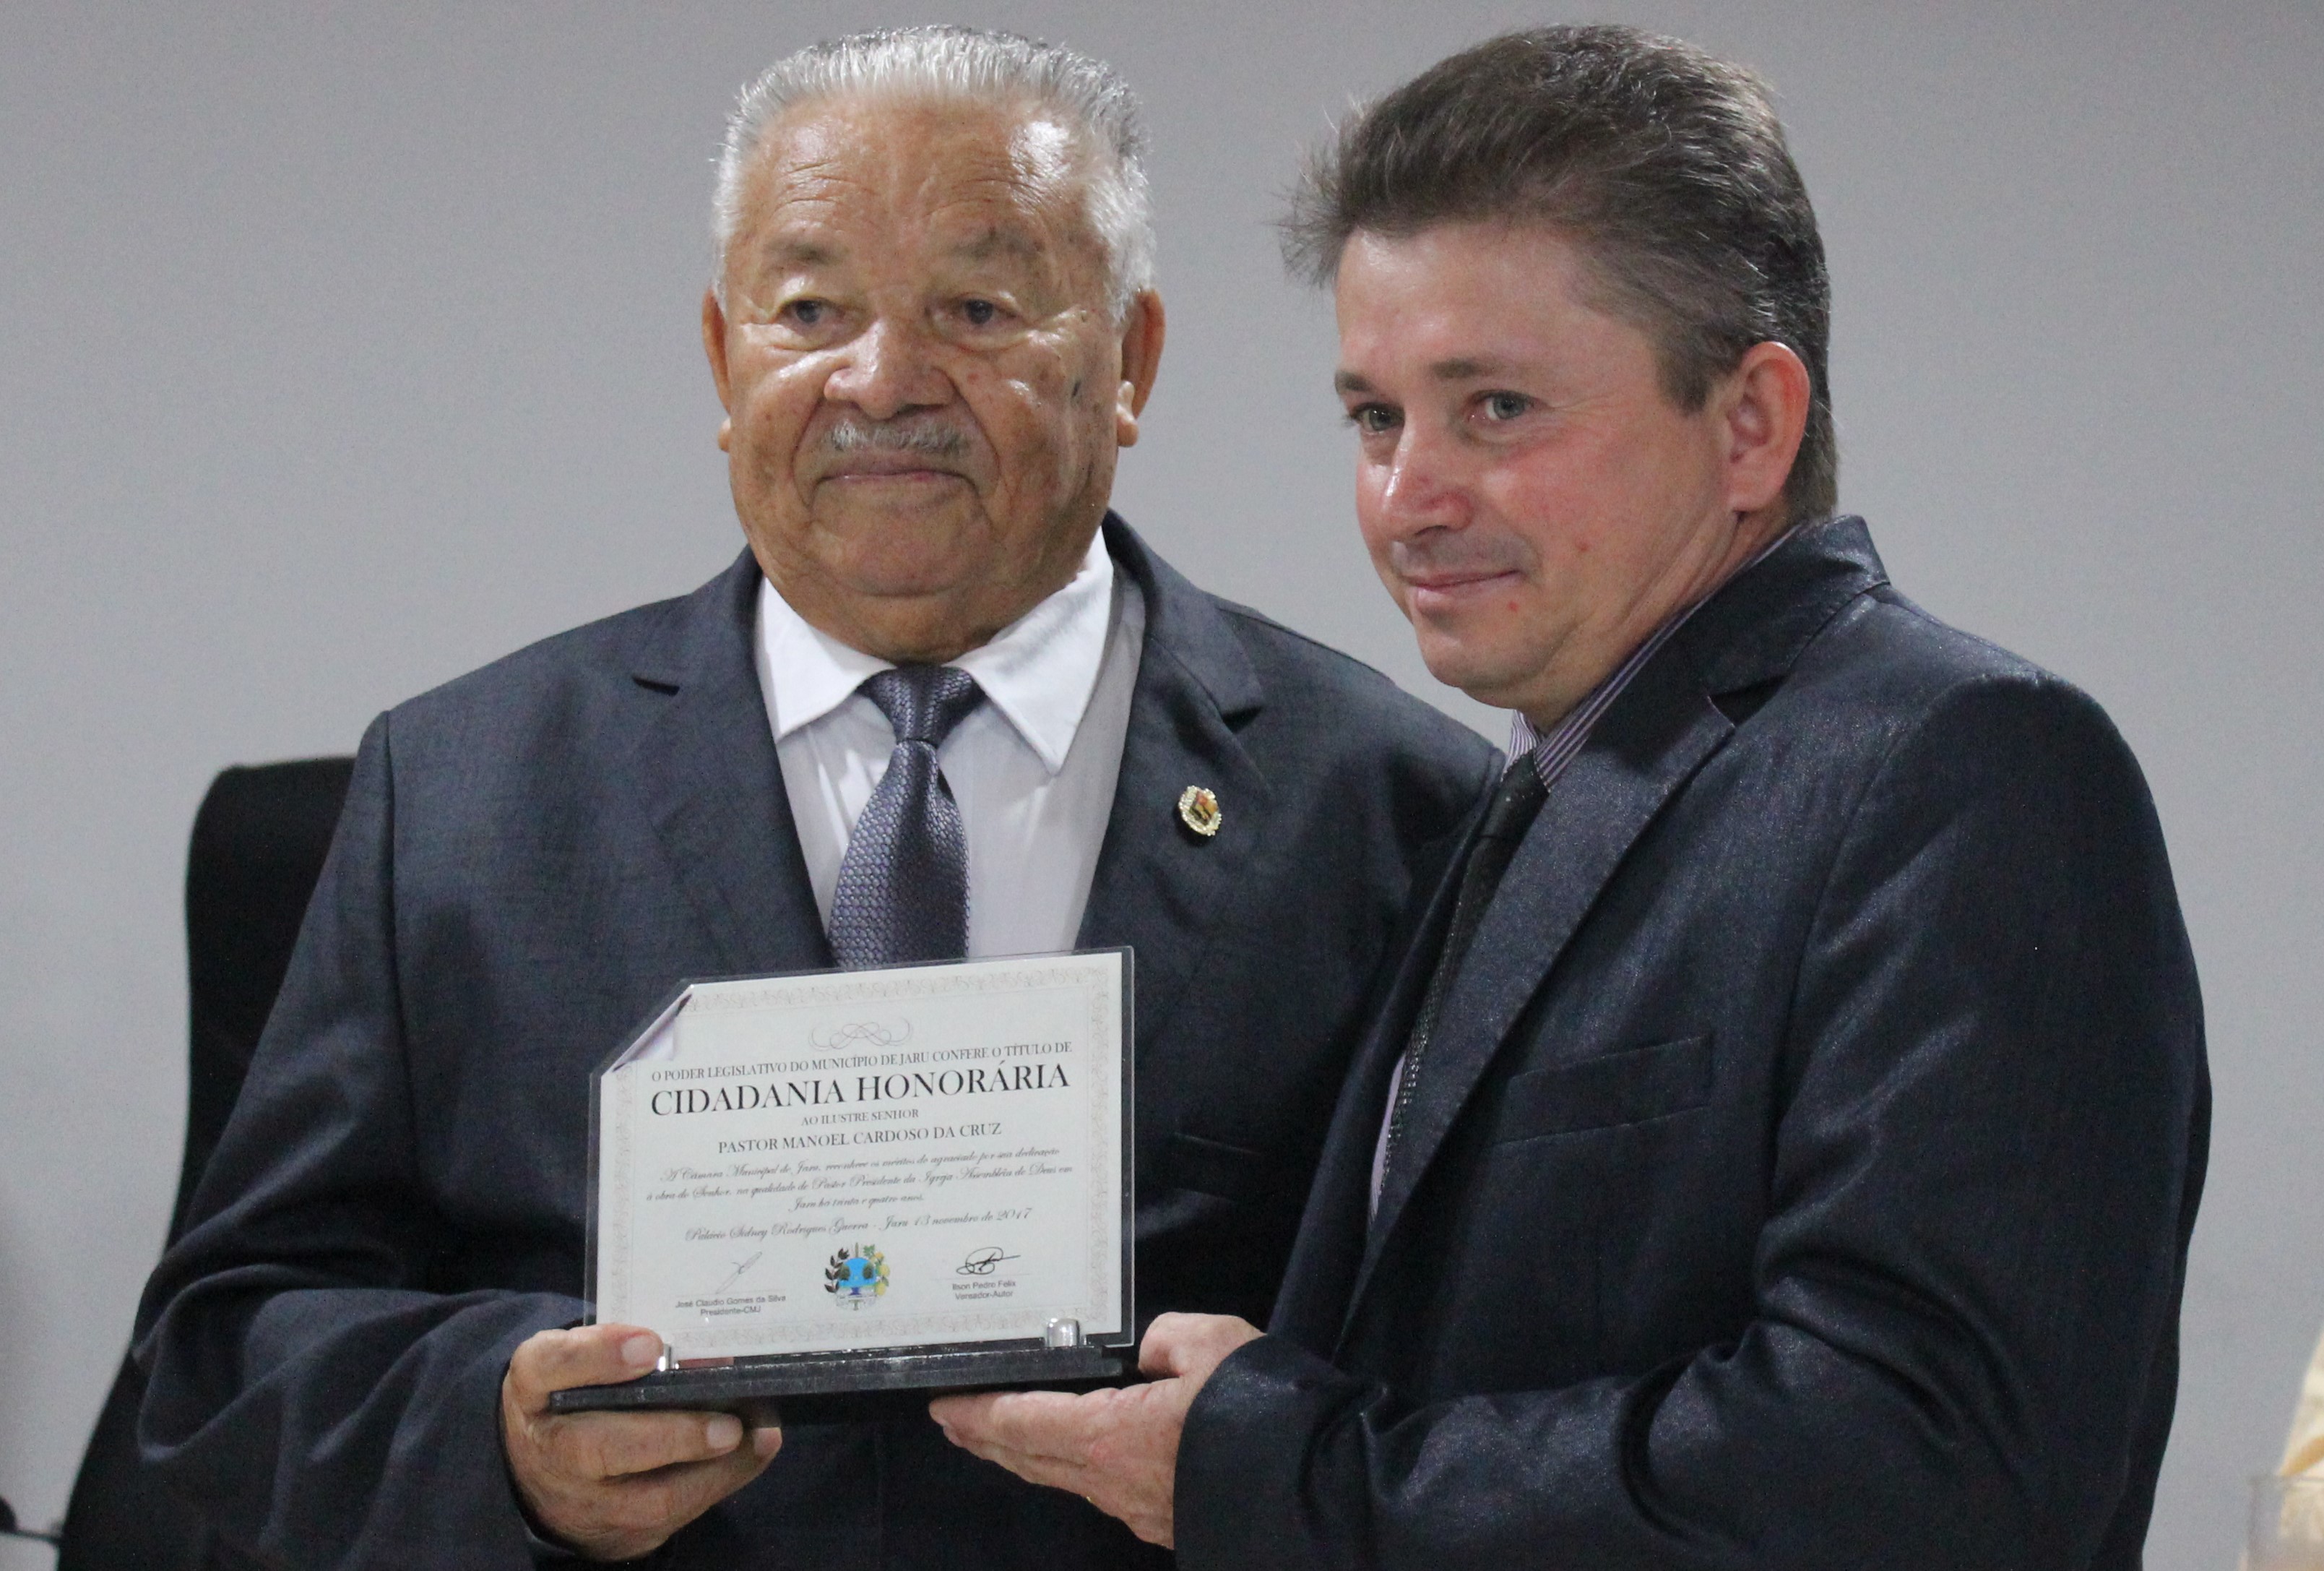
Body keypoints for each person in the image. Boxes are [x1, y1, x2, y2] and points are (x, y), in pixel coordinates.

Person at [134, 27, 1494, 1569]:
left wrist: (1264, 1452)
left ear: (1131, 362)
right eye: (809, 310)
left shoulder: (1395, 806)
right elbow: (217, 1363)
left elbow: (1485, 1371)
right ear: (725, 362)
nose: (884, 379)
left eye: (976, 308)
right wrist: (496, 1441)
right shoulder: (457, 793)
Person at [933, 25, 2210, 1569]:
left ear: (1749, 424)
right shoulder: (1527, 793)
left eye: (1495, 411)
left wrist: (1291, 1470)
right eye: (1374, 416)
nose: (1409, 495)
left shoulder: (1966, 770)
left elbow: (1922, 1472)